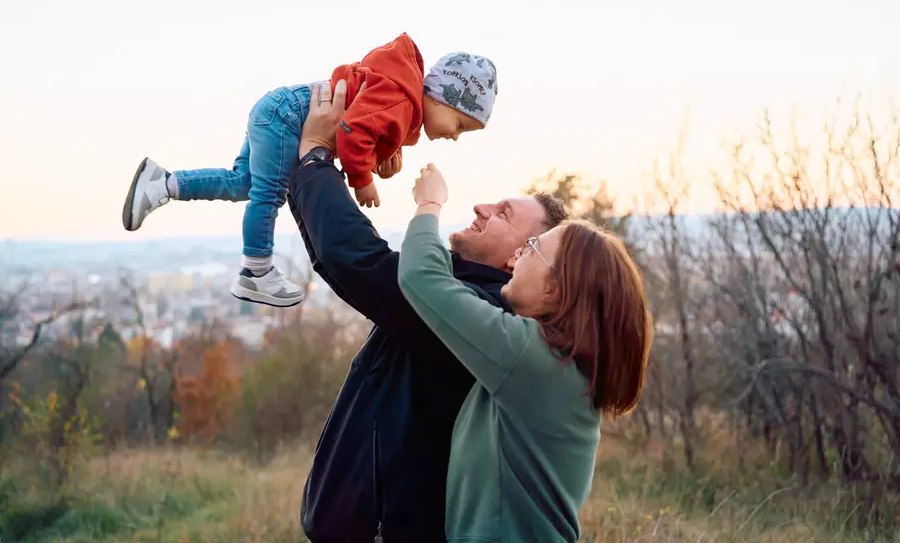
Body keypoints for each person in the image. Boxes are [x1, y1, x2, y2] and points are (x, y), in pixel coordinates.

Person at [288, 79, 567, 543]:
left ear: (521, 255)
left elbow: (360, 262)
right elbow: (352, 265)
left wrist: (317, 158)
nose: (481, 206)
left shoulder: (480, 315)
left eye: (503, 213)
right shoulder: (459, 292)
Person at [120, 33, 498, 308]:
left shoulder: (402, 103)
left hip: (280, 110)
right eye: (461, 125)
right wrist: (362, 181)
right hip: (291, 119)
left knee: (244, 184)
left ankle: (163, 184)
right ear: (443, 96)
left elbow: (361, 130)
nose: (455, 137)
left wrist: (378, 159)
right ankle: (256, 270)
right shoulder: (401, 99)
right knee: (267, 195)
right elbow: (351, 133)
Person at [397, 164, 654, 542]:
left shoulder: (532, 358)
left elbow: (421, 277)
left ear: (557, 291)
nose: (517, 257)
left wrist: (429, 202)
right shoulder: (561, 365)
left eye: (532, 249)